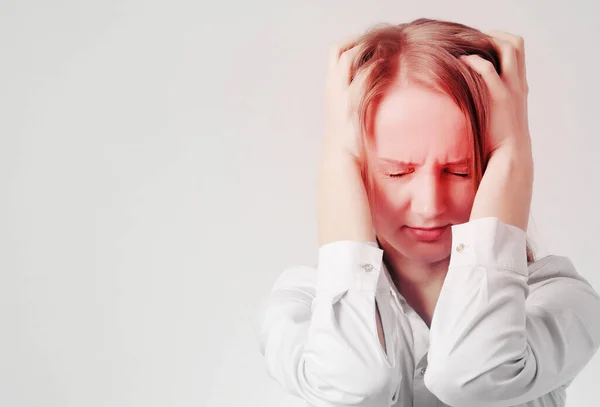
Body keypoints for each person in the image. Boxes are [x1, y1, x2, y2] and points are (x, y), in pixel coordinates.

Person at [256, 18, 600, 407]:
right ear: (355, 171)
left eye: (459, 170)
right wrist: (337, 156)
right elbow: (352, 383)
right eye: (397, 171)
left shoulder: (561, 301)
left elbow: (473, 377)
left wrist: (512, 152)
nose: (429, 205)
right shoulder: (301, 305)